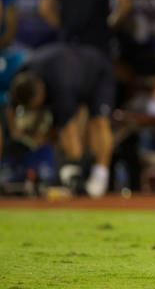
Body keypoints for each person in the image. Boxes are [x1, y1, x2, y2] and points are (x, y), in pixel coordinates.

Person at [8, 43, 116, 197]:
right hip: (71, 69)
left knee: (99, 122)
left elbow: (71, 138)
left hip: (97, 72)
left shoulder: (61, 86)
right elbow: (11, 110)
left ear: (41, 90)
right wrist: (20, 136)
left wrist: (72, 169)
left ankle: (100, 177)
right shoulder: (21, 77)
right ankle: (66, 173)